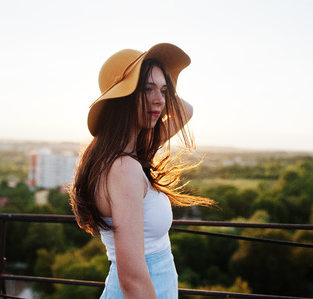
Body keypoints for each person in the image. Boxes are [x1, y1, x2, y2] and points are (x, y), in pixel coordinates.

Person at [69, 43, 215, 298]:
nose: (160, 100)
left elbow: (186, 110)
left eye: (164, 90)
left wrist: (156, 72)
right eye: (147, 89)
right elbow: (133, 280)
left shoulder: (131, 152)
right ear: (122, 97)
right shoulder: (123, 169)